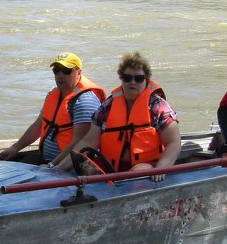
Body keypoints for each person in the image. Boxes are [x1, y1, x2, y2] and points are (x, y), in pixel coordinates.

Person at [77, 51, 182, 179]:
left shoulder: (158, 106)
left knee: (135, 173)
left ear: (146, 80)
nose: (133, 82)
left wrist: (161, 167)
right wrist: (58, 167)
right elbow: (88, 141)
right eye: (127, 78)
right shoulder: (108, 106)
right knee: (83, 168)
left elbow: (174, 142)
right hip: (112, 165)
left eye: (138, 78)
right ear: (121, 79)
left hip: (147, 166)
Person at [0, 52, 106, 169]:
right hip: (47, 161)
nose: (60, 75)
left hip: (68, 167)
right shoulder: (53, 94)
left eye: (66, 70)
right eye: (56, 70)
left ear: (78, 72)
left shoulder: (85, 101)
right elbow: (37, 126)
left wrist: (51, 166)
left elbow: (80, 143)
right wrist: (15, 148)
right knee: (2, 167)